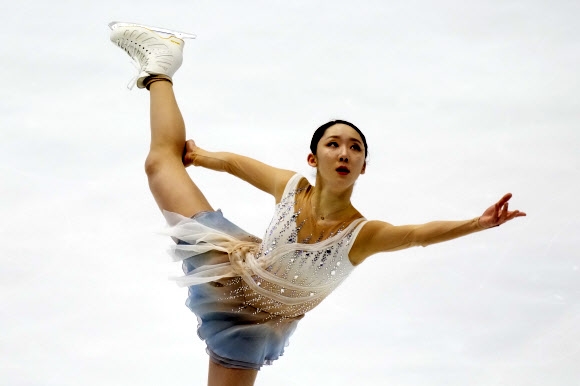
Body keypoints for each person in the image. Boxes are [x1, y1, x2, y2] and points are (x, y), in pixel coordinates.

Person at [109, 21, 526, 386]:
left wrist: (478, 223)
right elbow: (239, 165)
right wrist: (201, 157)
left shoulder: (363, 234)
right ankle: (160, 68)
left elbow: (417, 235)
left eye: (355, 148)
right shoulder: (290, 187)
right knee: (160, 163)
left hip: (253, 323)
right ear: (314, 159)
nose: (344, 152)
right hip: (230, 262)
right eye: (334, 144)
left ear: (363, 166)